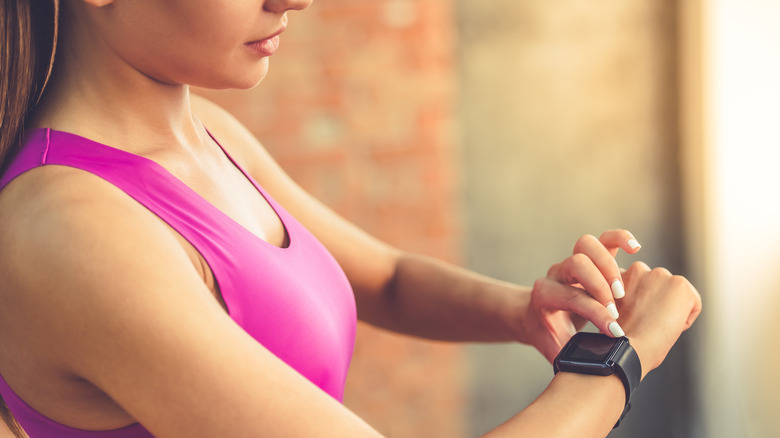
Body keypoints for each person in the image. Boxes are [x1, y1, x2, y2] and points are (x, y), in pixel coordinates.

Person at [0, 1, 702, 437]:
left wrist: (523, 311)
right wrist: (623, 356)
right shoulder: (70, 227)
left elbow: (388, 280)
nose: (294, 0)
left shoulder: (206, 135)